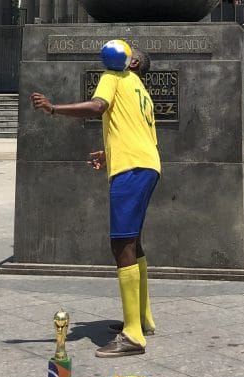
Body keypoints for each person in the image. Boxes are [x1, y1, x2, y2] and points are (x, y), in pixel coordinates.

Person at [31, 40, 160, 358]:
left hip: (130, 169)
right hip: (147, 165)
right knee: (135, 242)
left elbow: (98, 106)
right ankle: (142, 319)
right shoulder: (140, 90)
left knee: (121, 244)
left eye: (132, 53)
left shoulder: (113, 77)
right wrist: (108, 152)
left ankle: (132, 336)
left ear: (132, 64)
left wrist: (52, 108)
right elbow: (138, 133)